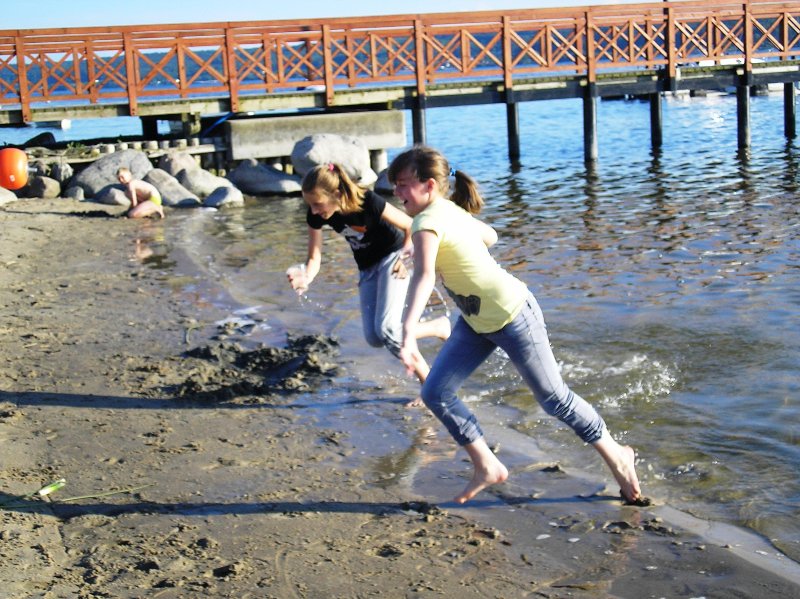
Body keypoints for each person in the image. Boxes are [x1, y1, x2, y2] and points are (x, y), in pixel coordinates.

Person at [388, 145, 643, 505]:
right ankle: (487, 465)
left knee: (555, 399)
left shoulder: (426, 221)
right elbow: (490, 236)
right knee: (435, 393)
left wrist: (407, 333)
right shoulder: (445, 211)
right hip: (476, 321)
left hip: (513, 313)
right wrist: (435, 246)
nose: (396, 192)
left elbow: (425, 276)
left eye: (403, 184)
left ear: (429, 185)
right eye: (395, 184)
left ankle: (618, 456)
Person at [288, 162, 451, 404]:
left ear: (337, 194)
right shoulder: (316, 215)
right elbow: (314, 258)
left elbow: (409, 226)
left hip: (393, 259)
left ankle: (430, 389)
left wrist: (406, 257)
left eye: (318, 204)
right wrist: (306, 277)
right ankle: (438, 327)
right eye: (309, 204)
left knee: (388, 331)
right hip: (367, 269)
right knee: (374, 337)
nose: (314, 210)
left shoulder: (368, 201)